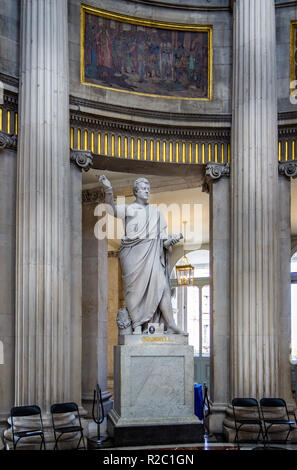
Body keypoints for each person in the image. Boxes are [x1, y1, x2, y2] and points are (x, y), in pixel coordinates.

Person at [98, 175, 185, 335]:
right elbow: (111, 210)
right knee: (134, 291)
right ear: (136, 191)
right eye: (144, 189)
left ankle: (171, 324)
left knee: (163, 287)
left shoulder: (156, 212)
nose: (147, 191)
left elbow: (163, 242)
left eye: (148, 189)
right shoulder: (129, 209)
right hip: (132, 254)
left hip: (152, 254)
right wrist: (108, 189)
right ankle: (137, 324)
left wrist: (170, 242)